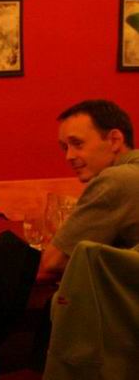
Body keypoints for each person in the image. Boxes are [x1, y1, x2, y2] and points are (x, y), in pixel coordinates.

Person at [40, 99, 139, 277]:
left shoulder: (115, 181)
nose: (69, 156)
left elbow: (53, 262)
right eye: (65, 147)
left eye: (77, 143)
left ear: (114, 140)